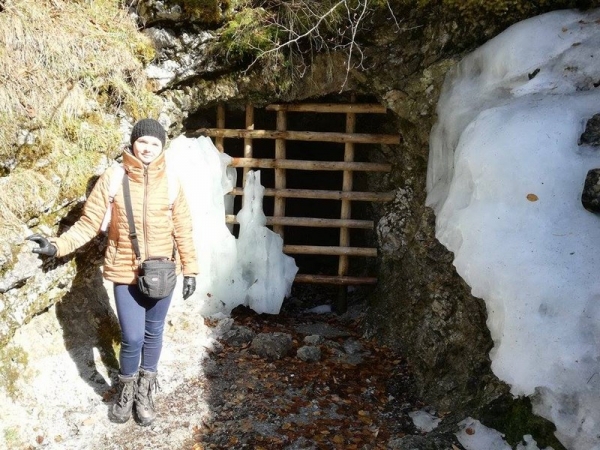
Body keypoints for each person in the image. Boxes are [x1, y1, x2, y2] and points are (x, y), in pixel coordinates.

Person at [26, 118, 199, 426]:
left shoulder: (172, 182)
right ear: (133, 143)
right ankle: (126, 390)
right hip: (125, 270)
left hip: (162, 271)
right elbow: (89, 223)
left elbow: (183, 229)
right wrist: (57, 245)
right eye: (142, 142)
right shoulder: (114, 178)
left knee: (154, 332)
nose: (147, 148)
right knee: (132, 337)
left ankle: (145, 392)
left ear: (162, 147)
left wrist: (191, 270)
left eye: (154, 143)